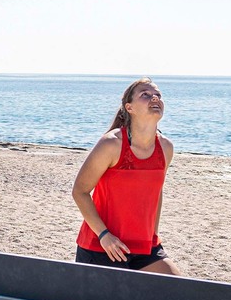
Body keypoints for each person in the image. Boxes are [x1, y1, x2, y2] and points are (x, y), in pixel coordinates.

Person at [71, 78, 178, 275]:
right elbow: (80, 191)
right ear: (129, 108)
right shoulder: (111, 144)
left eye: (158, 95)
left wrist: (153, 234)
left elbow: (156, 192)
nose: (155, 98)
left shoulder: (166, 147)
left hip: (145, 246)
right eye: (145, 95)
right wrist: (104, 235)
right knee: (119, 296)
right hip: (103, 247)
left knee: (179, 288)